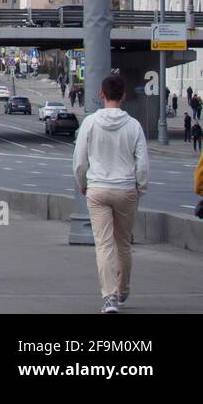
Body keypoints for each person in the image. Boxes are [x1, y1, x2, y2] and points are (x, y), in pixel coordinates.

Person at [73, 72, 149, 313]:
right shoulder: (134, 125)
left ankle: (109, 298)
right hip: (126, 189)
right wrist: (140, 188)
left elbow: (79, 161)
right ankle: (123, 289)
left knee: (104, 245)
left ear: (101, 95)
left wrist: (82, 183)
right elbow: (143, 163)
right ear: (124, 96)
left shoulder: (90, 123)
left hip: (97, 189)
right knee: (123, 244)